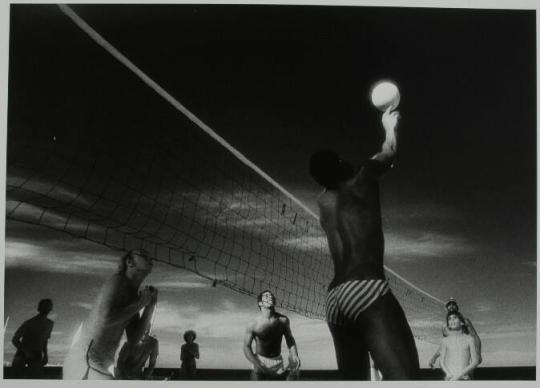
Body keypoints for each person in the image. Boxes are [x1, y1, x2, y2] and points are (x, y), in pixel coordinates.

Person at [309, 107, 419, 380]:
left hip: (334, 300)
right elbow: (389, 151)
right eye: (340, 160)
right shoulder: (363, 178)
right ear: (338, 164)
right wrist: (388, 125)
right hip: (366, 288)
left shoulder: (323, 203)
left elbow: (328, 179)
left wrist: (330, 170)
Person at [63, 249, 158, 380]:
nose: (150, 257)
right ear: (130, 262)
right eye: (143, 255)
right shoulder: (118, 281)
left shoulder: (133, 295)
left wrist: (149, 307)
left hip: (103, 362)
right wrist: (141, 303)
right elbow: (104, 320)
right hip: (85, 358)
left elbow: (134, 339)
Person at [243, 290, 301, 380]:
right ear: (260, 303)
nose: (270, 296)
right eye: (266, 296)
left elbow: (290, 339)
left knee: (294, 375)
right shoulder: (253, 324)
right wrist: (256, 363)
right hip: (259, 360)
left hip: (277, 361)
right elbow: (246, 346)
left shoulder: (283, 320)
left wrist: (294, 354)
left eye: (271, 295)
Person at [428, 298, 482, 369]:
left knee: (466, 377)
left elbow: (475, 337)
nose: (451, 306)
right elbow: (444, 345)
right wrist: (434, 357)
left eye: (453, 304)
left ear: (457, 307)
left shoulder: (465, 321)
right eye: (449, 305)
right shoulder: (444, 326)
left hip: (464, 356)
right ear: (447, 308)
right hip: (450, 359)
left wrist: (478, 353)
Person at [11, 299, 54, 378]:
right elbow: (15, 339)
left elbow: (45, 340)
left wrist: (45, 354)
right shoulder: (29, 323)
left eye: (48, 305)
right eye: (44, 305)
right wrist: (26, 351)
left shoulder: (50, 324)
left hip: (36, 354)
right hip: (22, 353)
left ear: (51, 308)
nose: (47, 307)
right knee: (16, 378)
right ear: (39, 308)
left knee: (36, 379)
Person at [440, 311, 481, 380]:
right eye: (449, 319)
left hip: (464, 378)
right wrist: (448, 374)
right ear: (448, 325)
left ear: (462, 323)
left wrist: (458, 376)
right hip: (449, 378)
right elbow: (441, 362)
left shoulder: (469, 339)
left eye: (455, 318)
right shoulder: (445, 340)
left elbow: (475, 361)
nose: (452, 320)